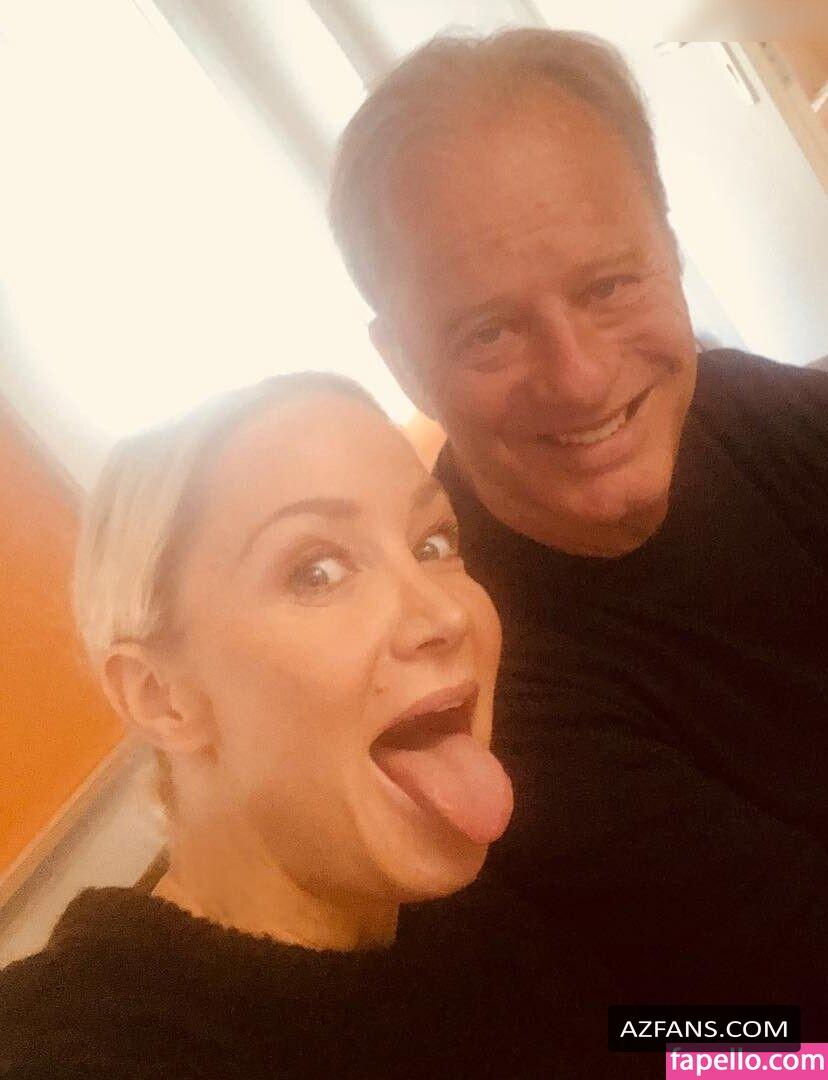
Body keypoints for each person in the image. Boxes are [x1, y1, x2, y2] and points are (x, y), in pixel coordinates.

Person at [330, 28, 828, 1029]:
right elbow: (759, 1034)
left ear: (670, 254)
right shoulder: (478, 694)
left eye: (608, 285)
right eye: (488, 331)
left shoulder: (747, 410)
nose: (583, 377)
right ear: (404, 364)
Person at [0, 371, 589, 1079]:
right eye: (317, 572)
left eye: (432, 544)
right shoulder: (85, 1047)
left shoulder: (463, 903)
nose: (446, 614)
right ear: (160, 696)